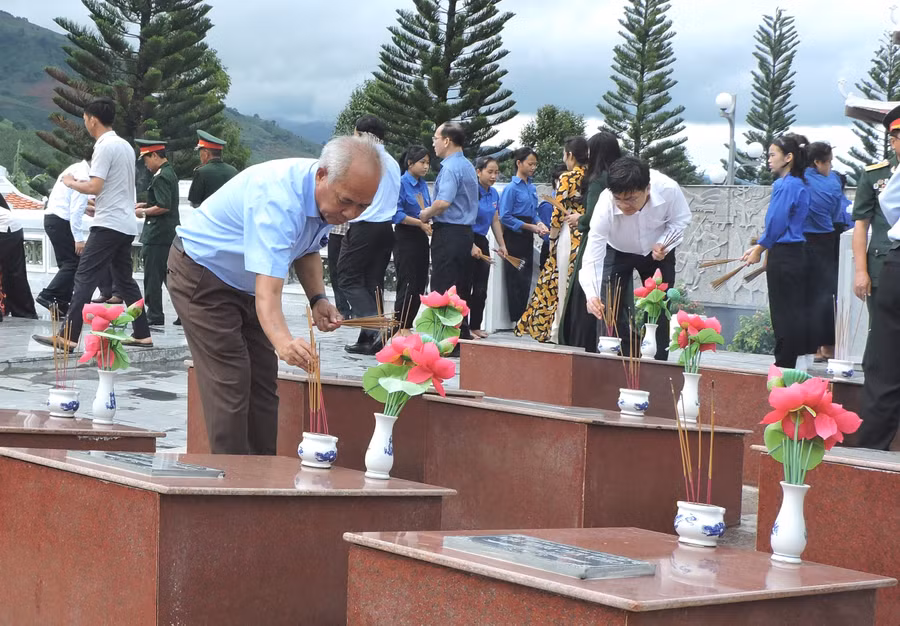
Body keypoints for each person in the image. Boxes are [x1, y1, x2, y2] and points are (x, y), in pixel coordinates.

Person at [168, 135, 382, 455]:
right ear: (322, 175)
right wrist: (284, 343)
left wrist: (318, 299)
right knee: (231, 379)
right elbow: (268, 292)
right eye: (346, 202)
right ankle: (232, 488)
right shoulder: (279, 199)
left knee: (263, 383)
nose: (351, 213)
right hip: (202, 274)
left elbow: (307, 249)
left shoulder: (327, 199)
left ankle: (263, 475)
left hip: (245, 283)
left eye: (362, 206)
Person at [33, 96, 151, 350]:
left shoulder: (104, 146)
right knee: (126, 282)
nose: (85, 123)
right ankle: (143, 334)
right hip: (125, 224)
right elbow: (119, 188)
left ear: (92, 119)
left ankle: (68, 336)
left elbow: (95, 186)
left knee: (84, 277)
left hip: (108, 224)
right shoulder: (125, 146)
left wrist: (70, 182)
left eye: (85, 118)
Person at [580, 155, 691, 360]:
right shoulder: (605, 203)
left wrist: (666, 242)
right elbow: (593, 254)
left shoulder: (669, 189)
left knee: (658, 307)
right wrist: (591, 294)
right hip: (617, 249)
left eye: (631, 199)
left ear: (647, 189)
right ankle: (610, 361)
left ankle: (656, 362)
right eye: (619, 199)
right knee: (607, 307)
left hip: (658, 250)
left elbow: (681, 220)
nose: (623, 205)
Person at [742, 134, 811, 368]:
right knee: (792, 310)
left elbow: (777, 222)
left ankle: (783, 365)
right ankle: (789, 362)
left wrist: (760, 247)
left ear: (788, 157)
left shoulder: (786, 184)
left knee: (782, 313)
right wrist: (759, 246)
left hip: (784, 254)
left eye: (773, 155)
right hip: (795, 253)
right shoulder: (799, 183)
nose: (769, 160)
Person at [339, 115, 401, 355]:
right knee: (372, 283)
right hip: (385, 228)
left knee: (347, 277)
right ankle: (367, 339)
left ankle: (375, 326)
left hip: (366, 225)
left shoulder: (366, 160)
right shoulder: (393, 162)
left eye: (356, 134)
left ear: (364, 135)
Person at [516, 137, 588, 342]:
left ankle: (558, 331)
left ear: (570, 155)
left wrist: (553, 239)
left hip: (568, 234)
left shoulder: (568, 177)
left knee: (561, 284)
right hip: (586, 234)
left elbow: (557, 214)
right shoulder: (593, 177)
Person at [858, 104, 900, 450]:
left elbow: (890, 203)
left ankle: (869, 452)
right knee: (882, 360)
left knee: (885, 366)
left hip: (895, 265)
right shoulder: (877, 173)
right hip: (887, 267)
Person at [419, 121, 479, 346]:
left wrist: (426, 213)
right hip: (465, 233)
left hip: (449, 232)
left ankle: (443, 339)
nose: (433, 143)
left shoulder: (451, 167)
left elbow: (443, 201)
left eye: (436, 138)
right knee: (460, 287)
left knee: (443, 286)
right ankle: (459, 335)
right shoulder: (467, 165)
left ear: (447, 140)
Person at [560, 131, 622, 351]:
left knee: (584, 292)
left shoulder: (598, 179)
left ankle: (581, 341)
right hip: (617, 244)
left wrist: (580, 219)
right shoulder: (618, 177)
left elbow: (594, 216)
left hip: (595, 242)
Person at [803, 141, 845, 361]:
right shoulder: (834, 181)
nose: (830, 166)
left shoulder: (799, 178)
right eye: (828, 162)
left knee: (810, 295)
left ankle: (815, 347)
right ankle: (827, 346)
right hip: (826, 239)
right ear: (818, 162)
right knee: (826, 294)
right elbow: (838, 212)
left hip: (802, 240)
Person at [36, 156, 92, 316]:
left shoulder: (75, 168)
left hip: (54, 220)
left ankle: (60, 303)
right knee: (74, 263)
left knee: (67, 265)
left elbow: (71, 202)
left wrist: (86, 207)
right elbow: (75, 211)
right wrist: (79, 239)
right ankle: (48, 295)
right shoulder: (83, 176)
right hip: (61, 222)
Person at [499, 147, 549, 323]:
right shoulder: (511, 189)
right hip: (514, 236)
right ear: (519, 163)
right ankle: (515, 317)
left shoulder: (531, 187)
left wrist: (539, 223)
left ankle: (522, 316)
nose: (533, 167)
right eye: (530, 163)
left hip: (527, 234)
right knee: (516, 277)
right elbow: (504, 216)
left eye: (535, 164)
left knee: (526, 277)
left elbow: (533, 212)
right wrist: (530, 226)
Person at [134, 139, 180, 328]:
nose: (146, 164)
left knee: (153, 277)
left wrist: (142, 212)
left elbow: (163, 206)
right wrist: (146, 204)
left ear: (154, 155)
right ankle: (185, 313)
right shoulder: (169, 172)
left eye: (146, 160)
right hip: (167, 234)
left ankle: (154, 315)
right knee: (169, 278)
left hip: (157, 235)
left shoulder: (161, 176)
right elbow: (162, 200)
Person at [392, 145, 433, 330]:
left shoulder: (424, 185)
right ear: (410, 163)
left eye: (428, 163)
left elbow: (427, 209)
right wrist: (419, 223)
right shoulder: (401, 183)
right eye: (422, 162)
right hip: (406, 236)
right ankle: (399, 325)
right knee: (407, 282)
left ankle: (408, 324)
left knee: (419, 283)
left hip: (421, 236)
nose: (426, 167)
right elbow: (396, 214)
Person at [468, 156, 507, 338]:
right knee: (465, 286)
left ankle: (475, 325)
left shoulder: (494, 193)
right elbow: (464, 220)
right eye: (489, 172)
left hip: (482, 240)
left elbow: (495, 219)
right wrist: (471, 244)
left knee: (481, 288)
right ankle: (462, 327)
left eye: (496, 172)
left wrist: (502, 245)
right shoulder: (471, 192)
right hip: (468, 239)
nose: (493, 176)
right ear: (478, 172)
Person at [0, 192, 38, 319]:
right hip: (12, 226)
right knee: (14, 273)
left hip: (4, 228)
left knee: (13, 273)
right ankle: (25, 312)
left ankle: (23, 312)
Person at [187, 130, 239, 207]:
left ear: (206, 153)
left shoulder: (201, 172)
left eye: (200, 152)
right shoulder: (233, 171)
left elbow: (194, 203)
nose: (200, 156)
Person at [326, 222, 351, 318]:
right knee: (335, 272)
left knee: (354, 271)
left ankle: (357, 309)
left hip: (355, 232)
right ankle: (342, 309)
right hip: (335, 232)